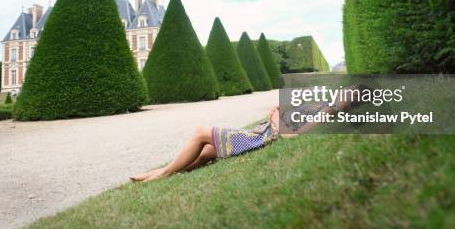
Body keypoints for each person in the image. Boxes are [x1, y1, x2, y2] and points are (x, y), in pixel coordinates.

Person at [130, 86, 364, 182]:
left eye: (349, 93)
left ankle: (163, 173)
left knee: (202, 133)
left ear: (349, 102)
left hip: (261, 139)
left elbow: (293, 137)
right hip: (261, 134)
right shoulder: (324, 106)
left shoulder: (328, 112)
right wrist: (280, 112)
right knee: (207, 151)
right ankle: (162, 172)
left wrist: (274, 117)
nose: (343, 91)